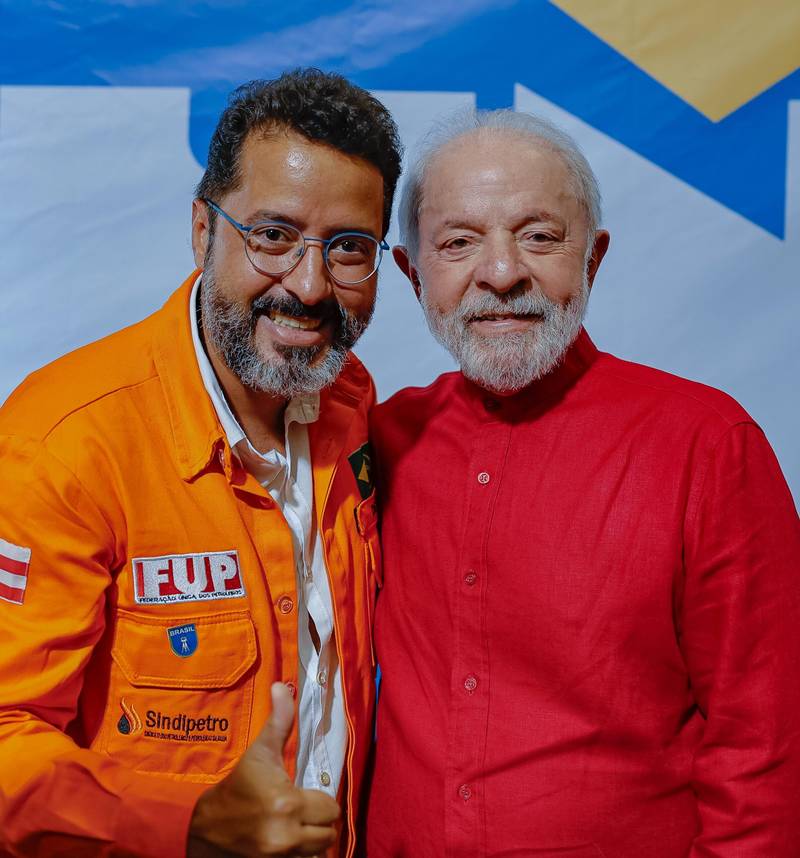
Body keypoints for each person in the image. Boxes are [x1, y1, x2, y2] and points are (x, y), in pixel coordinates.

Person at [366, 109, 800, 857]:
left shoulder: (706, 445)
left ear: (593, 257)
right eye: (458, 242)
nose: (501, 273)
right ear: (412, 274)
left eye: (539, 236)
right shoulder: (377, 443)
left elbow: (765, 745)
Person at [0, 68, 401, 858]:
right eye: (273, 235)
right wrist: (186, 824)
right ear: (201, 229)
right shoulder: (66, 442)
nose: (309, 286)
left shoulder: (351, 403)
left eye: (348, 248)